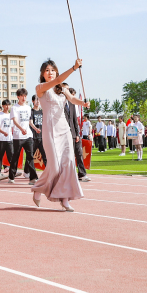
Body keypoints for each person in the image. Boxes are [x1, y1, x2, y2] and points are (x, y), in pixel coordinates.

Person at [31, 59, 89, 211]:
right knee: (55, 167)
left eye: (52, 70)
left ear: (56, 71)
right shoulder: (40, 88)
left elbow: (72, 99)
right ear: (42, 74)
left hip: (64, 129)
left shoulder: (62, 88)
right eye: (47, 70)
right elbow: (57, 80)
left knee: (68, 164)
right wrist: (73, 68)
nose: (50, 73)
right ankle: (38, 188)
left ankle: (65, 198)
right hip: (50, 130)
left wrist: (83, 103)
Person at [7, 88, 37, 184]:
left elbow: (29, 121)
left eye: (25, 96)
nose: (24, 98)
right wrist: (21, 129)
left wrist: (35, 128)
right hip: (18, 136)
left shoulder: (28, 108)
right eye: (22, 96)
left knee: (30, 156)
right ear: (18, 97)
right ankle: (11, 176)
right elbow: (15, 121)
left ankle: (33, 178)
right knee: (15, 156)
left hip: (28, 135)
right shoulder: (14, 108)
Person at [62, 85, 88, 181]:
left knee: (79, 154)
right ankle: (67, 175)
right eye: (65, 89)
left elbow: (74, 120)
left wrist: (77, 133)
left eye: (68, 89)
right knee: (68, 156)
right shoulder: (59, 104)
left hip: (73, 133)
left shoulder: (72, 104)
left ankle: (82, 174)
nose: (67, 90)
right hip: (64, 134)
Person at [0, 100, 13, 178]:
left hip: (9, 139)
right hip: (2, 139)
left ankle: (13, 171)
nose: (7, 107)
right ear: (3, 106)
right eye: (6, 105)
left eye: (9, 105)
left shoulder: (11, 115)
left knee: (11, 156)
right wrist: (3, 132)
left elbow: (12, 127)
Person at [30, 95, 47, 167]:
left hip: (42, 137)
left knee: (45, 155)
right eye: (36, 100)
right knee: (30, 155)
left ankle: (48, 170)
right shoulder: (31, 111)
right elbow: (30, 122)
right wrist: (36, 129)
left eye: (39, 100)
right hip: (33, 137)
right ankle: (27, 170)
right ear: (33, 101)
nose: (38, 102)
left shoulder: (42, 111)